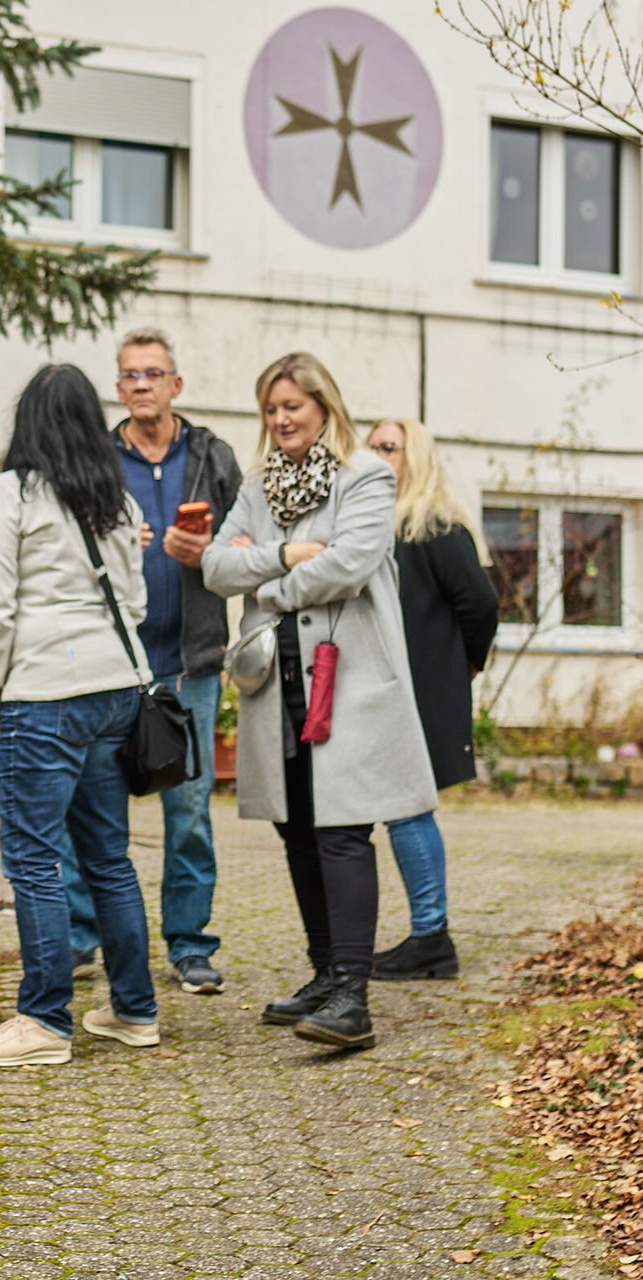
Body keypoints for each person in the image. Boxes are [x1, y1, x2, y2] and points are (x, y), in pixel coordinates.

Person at [202, 353, 435, 1050]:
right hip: (280, 682)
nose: (280, 422)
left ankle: (353, 997)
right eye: (270, 411)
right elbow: (216, 566)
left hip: (351, 678)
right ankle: (323, 973)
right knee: (297, 826)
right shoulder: (257, 486)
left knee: (341, 829)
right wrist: (290, 555)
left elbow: (352, 562)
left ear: (324, 408)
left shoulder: (365, 474)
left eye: (292, 409)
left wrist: (267, 577)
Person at [0, 363, 161, 1067]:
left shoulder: (13, 494)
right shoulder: (118, 501)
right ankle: (134, 1009)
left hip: (43, 695)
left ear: (29, 423)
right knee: (108, 857)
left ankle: (44, 1020)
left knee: (34, 860)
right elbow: (135, 605)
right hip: (114, 692)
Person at [60, 327, 242, 995]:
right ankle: (83, 939)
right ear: (119, 389)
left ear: (176, 385)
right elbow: (65, 552)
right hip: (112, 664)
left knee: (188, 811)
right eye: (130, 375)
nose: (141, 385)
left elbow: (248, 541)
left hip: (190, 663)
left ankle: (191, 946)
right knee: (94, 804)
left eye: (152, 373)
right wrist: (111, 542)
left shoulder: (214, 456)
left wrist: (213, 547)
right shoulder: (97, 460)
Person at [365, 417, 499, 980]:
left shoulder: (437, 528)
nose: (376, 457)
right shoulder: (371, 526)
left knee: (406, 808)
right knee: (398, 810)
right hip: (377, 690)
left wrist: (463, 664)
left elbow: (481, 605)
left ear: (414, 457)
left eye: (388, 448)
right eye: (370, 448)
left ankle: (431, 937)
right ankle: (427, 935)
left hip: (419, 692)